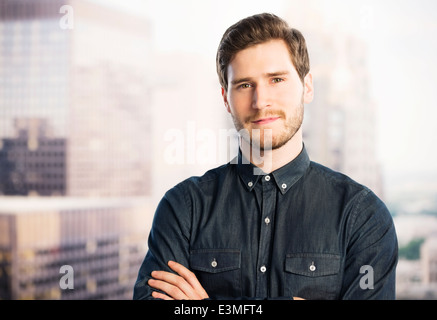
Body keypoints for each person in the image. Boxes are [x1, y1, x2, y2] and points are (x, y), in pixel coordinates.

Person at [133, 13, 398, 300]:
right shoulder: (184, 208)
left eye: (276, 79)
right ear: (225, 98)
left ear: (307, 86)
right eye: (245, 85)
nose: (261, 101)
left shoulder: (362, 217)